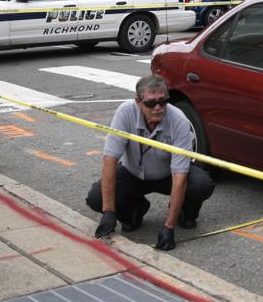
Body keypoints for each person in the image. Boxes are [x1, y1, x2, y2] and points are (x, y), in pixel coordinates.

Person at [86, 75, 215, 251]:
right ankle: (135, 210)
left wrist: (169, 227)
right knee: (95, 198)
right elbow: (109, 161)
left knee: (201, 184)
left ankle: (184, 213)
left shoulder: (178, 120)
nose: (158, 107)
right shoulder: (125, 112)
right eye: (151, 103)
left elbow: (180, 175)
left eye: (163, 101)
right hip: (133, 173)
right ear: (138, 102)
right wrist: (109, 212)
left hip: (168, 174)